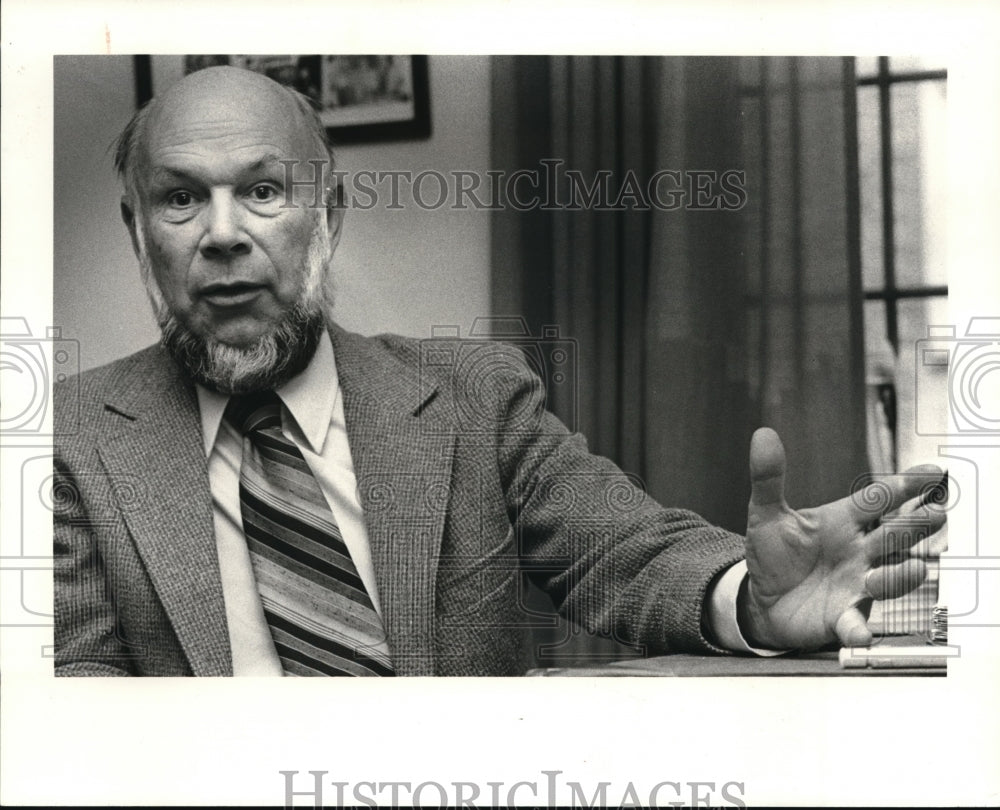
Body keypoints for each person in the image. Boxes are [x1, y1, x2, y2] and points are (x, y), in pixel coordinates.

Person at [53, 66, 945, 676]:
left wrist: (749, 600)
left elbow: (626, 555)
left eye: (263, 190)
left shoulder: (477, 400)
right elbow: (64, 696)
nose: (222, 233)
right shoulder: (67, 440)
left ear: (329, 216)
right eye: (180, 199)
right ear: (139, 233)